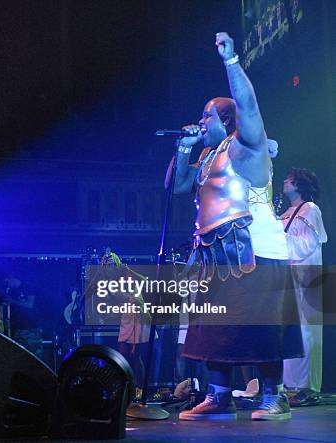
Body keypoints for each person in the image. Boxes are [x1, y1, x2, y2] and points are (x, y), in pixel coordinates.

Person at [167, 32, 302, 421]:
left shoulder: (246, 148)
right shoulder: (208, 156)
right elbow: (175, 187)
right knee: (214, 327)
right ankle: (218, 395)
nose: (201, 119)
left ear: (226, 119)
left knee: (260, 327)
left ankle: (274, 397)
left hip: (255, 251)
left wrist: (232, 63)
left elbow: (249, 105)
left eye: (207, 114)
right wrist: (183, 145)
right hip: (216, 256)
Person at [279, 168, 327, 404]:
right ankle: (290, 386)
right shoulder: (285, 213)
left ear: (300, 184)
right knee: (291, 331)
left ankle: (306, 387)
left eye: (289, 180)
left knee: (307, 332)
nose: (285, 182)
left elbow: (307, 244)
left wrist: (282, 239)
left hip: (307, 279)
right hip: (290, 278)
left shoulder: (310, 209)